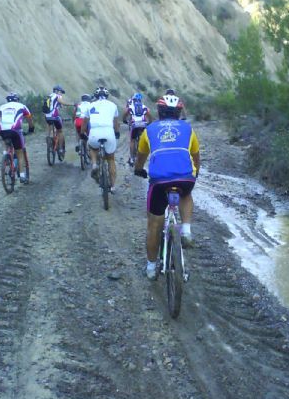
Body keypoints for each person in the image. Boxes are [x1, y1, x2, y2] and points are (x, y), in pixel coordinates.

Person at [134, 93, 200, 280]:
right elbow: (196, 156)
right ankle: (186, 230)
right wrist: (195, 175)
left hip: (159, 181)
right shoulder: (188, 129)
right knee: (186, 194)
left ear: (159, 111)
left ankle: (150, 268)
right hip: (185, 179)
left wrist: (138, 169)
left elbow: (141, 156)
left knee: (154, 225)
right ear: (179, 112)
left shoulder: (150, 130)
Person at [81, 86, 120, 193]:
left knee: (92, 147)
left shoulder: (91, 105)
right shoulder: (113, 105)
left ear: (96, 96)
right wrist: (117, 133)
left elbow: (84, 123)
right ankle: (112, 186)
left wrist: (82, 133)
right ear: (107, 96)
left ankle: (94, 164)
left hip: (94, 131)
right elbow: (116, 123)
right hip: (108, 131)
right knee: (111, 159)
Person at [0, 92, 34, 184]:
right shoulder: (22, 106)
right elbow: (29, 119)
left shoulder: (2, 107)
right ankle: (22, 176)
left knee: (5, 139)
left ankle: (5, 156)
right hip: (15, 130)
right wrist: (31, 128)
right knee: (20, 153)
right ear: (17, 100)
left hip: (2, 130)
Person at [121, 92, 152, 165]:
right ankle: (146, 156)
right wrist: (149, 122)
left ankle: (132, 158)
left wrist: (124, 120)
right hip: (143, 125)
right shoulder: (144, 106)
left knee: (132, 141)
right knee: (145, 139)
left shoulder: (131, 107)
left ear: (133, 100)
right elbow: (149, 116)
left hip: (134, 125)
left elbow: (125, 114)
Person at [43, 84, 71, 155]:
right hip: (55, 117)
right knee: (60, 131)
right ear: (58, 91)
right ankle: (61, 149)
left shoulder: (49, 96)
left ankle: (48, 137)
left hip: (47, 116)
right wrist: (72, 104)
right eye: (61, 92)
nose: (61, 94)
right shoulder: (57, 96)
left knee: (48, 123)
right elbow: (62, 103)